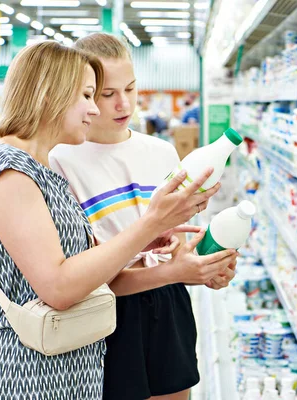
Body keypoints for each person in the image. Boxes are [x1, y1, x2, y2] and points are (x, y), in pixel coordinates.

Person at [0, 41, 236, 399]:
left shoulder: (40, 171)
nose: (95, 109)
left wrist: (160, 249)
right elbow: (59, 287)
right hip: (24, 377)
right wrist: (150, 224)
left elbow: (89, 266)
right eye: (90, 95)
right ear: (51, 95)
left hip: (66, 371)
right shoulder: (9, 173)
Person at [49, 33, 235, 400]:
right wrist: (172, 270)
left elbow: (173, 248)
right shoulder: (60, 160)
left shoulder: (161, 151)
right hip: (106, 314)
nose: (124, 104)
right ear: (81, 92)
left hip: (169, 303)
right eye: (106, 94)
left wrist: (200, 264)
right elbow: (84, 279)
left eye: (131, 89)